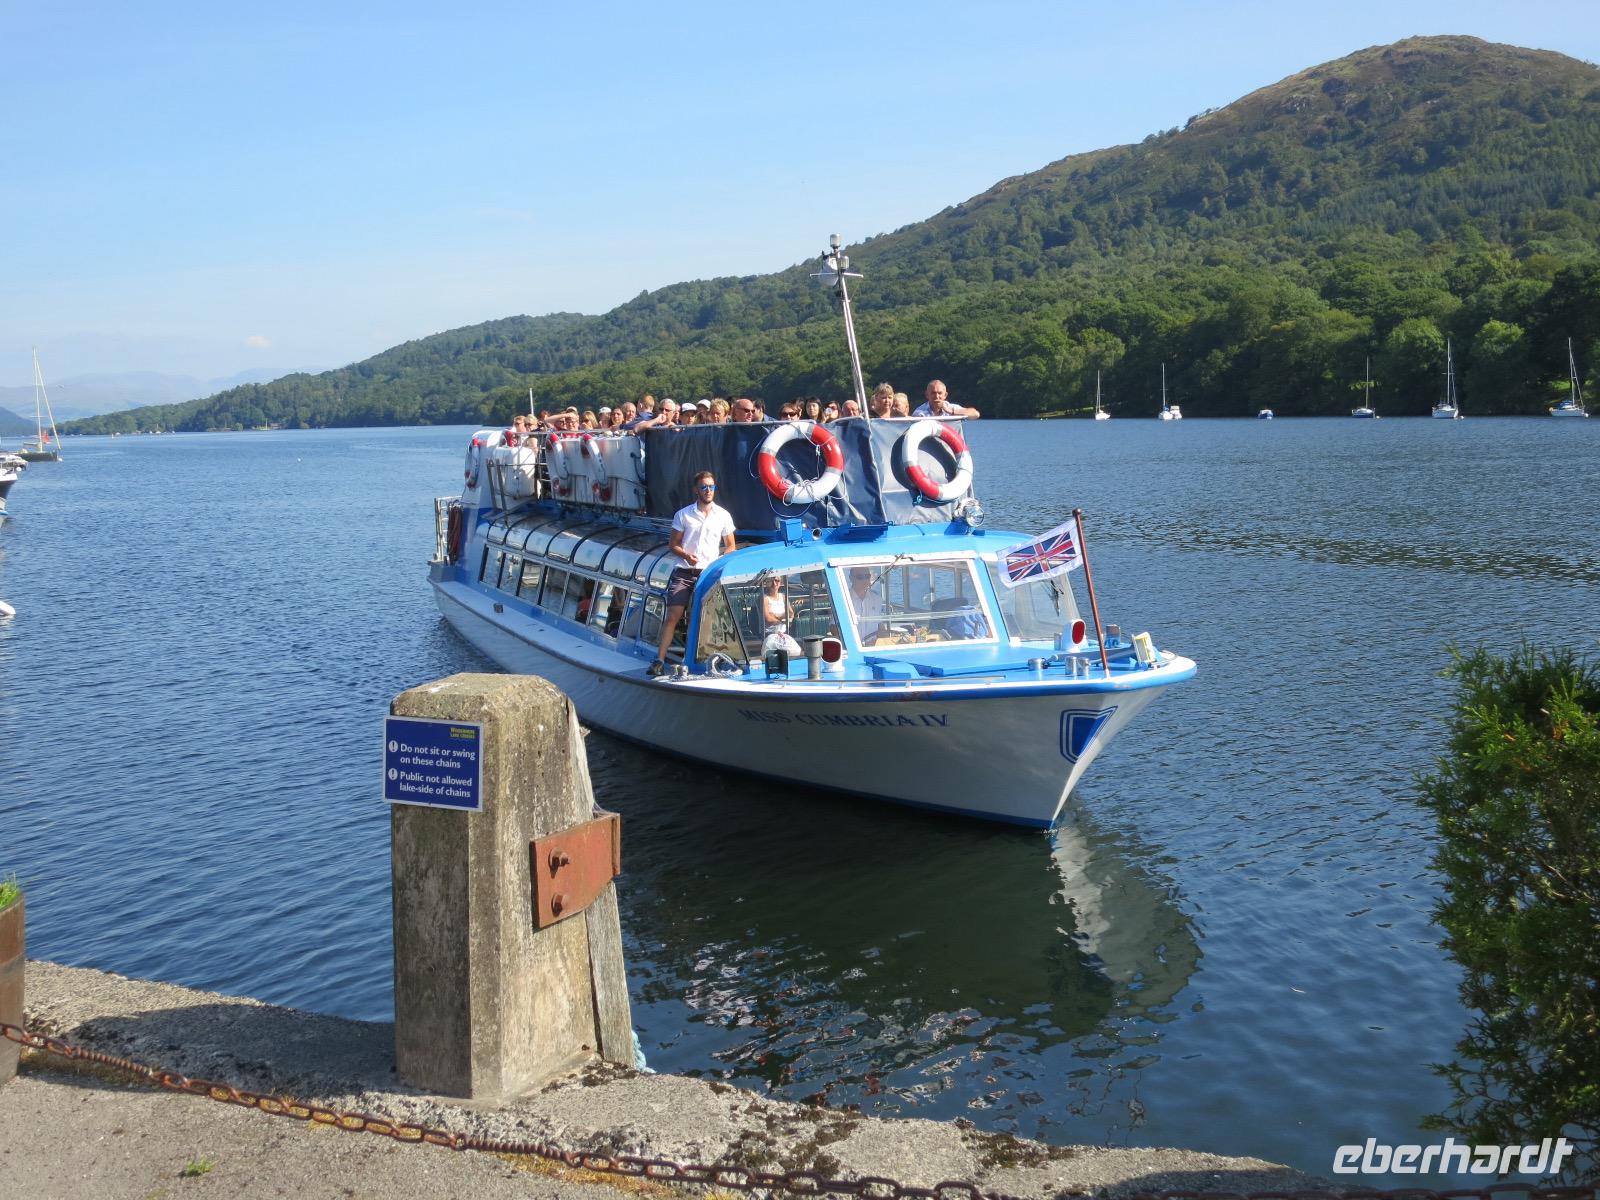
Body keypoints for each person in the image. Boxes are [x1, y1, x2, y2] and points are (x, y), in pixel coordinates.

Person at [650, 471, 737, 676]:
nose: (708, 491)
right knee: (674, 614)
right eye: (704, 487)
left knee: (709, 618)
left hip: (708, 573)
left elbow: (731, 545)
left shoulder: (723, 515)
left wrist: (718, 563)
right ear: (696, 490)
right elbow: (673, 544)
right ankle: (659, 659)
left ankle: (704, 659)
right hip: (685, 571)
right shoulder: (684, 515)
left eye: (712, 487)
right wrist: (686, 556)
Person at [848, 567, 885, 643]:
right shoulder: (844, 599)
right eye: (860, 577)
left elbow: (880, 626)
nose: (865, 580)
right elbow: (834, 628)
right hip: (852, 647)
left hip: (872, 647)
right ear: (851, 578)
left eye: (867, 576)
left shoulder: (877, 599)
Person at [913, 379, 980, 419]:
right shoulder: (919, 413)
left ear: (945, 395)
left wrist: (951, 411)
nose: (937, 396)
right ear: (927, 395)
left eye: (940, 393)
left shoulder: (952, 408)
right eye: (933, 393)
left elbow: (976, 414)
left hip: (951, 442)